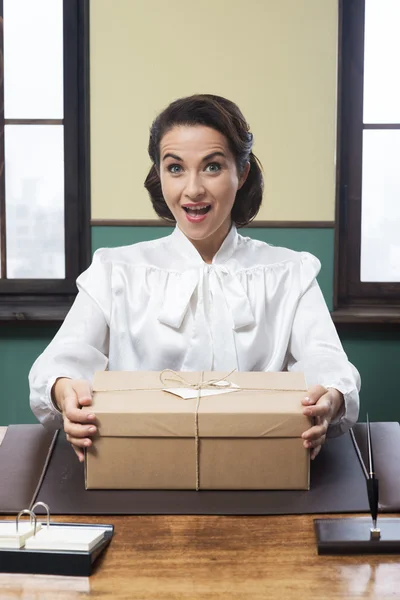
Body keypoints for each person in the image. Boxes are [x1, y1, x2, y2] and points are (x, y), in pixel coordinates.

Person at [29, 94, 360, 463]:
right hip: (137, 470)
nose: (192, 189)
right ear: (159, 174)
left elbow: (325, 359)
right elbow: (59, 362)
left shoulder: (288, 272)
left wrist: (330, 396)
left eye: (212, 167)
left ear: (242, 172)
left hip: (260, 469)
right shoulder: (115, 270)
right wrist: (63, 391)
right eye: (175, 168)